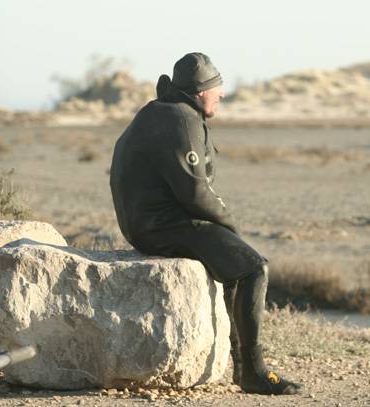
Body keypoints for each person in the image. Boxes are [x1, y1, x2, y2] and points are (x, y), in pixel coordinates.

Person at [109, 52, 302, 395]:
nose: (222, 94)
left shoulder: (160, 111)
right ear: (200, 92)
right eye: (217, 88)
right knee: (253, 268)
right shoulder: (181, 119)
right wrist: (231, 227)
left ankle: (242, 367)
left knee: (234, 266)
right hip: (163, 225)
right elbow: (196, 193)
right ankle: (253, 371)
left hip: (146, 223)